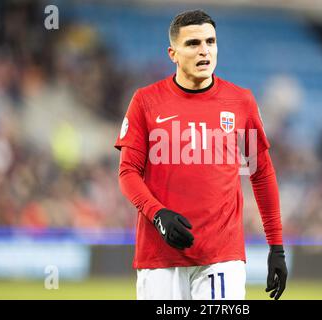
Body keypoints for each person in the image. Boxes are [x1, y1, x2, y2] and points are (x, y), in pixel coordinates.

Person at [115, 9, 287, 300]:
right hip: (160, 257)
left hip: (222, 256)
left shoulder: (240, 101)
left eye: (211, 41)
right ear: (173, 53)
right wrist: (158, 215)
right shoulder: (145, 101)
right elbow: (127, 172)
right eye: (193, 44)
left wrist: (277, 247)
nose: (205, 50)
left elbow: (261, 173)